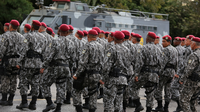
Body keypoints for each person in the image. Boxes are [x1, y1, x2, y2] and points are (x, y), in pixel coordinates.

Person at [42, 24, 74, 112]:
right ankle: (58, 108)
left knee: (44, 83)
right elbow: (73, 58)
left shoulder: (55, 41)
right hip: (66, 67)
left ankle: (49, 103)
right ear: (67, 32)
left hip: (55, 67)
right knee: (61, 87)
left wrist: (43, 66)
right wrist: (70, 69)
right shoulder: (71, 43)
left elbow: (50, 55)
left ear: (59, 31)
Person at [16, 20, 47, 110]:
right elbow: (46, 52)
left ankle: (24, 102)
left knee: (23, 82)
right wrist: (43, 65)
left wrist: (19, 62)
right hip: (39, 63)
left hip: (28, 63)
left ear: (32, 27)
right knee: (36, 83)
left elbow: (23, 50)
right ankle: (33, 104)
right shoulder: (43, 37)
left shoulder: (28, 36)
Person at [73, 29, 104, 112]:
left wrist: (76, 74)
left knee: (76, 90)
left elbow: (83, 63)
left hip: (86, 74)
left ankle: (79, 109)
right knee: (93, 93)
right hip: (96, 74)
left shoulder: (87, 46)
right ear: (96, 37)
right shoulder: (101, 46)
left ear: (88, 37)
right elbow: (103, 62)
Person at [132, 32, 162, 112]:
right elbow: (161, 63)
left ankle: (138, 104)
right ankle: (148, 110)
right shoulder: (159, 49)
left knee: (132, 87)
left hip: (145, 73)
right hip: (154, 74)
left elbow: (139, 63)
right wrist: (158, 73)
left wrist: (136, 75)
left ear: (147, 38)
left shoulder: (143, 48)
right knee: (150, 92)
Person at [0, 20, 27, 106]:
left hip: (7, 60)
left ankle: (4, 98)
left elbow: (2, 50)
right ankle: (11, 99)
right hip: (17, 61)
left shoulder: (5, 36)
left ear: (10, 26)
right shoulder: (22, 37)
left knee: (5, 79)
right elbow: (24, 50)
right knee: (14, 79)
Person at [103, 31, 131, 112]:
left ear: (114, 38)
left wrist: (103, 78)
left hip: (112, 79)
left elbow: (106, 66)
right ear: (123, 39)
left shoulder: (111, 49)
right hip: (123, 79)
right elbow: (129, 65)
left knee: (109, 101)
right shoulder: (127, 50)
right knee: (119, 101)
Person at [154, 35, 178, 112]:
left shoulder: (166, 50)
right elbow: (177, 62)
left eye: (164, 41)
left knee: (158, 89)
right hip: (171, 72)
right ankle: (166, 108)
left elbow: (162, 63)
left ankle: (160, 106)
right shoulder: (174, 49)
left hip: (164, 72)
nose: (162, 43)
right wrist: (175, 72)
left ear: (168, 42)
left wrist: (159, 73)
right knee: (168, 90)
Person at [179, 37, 200, 112]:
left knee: (183, 100)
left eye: (191, 43)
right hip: (198, 82)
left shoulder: (194, 55)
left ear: (194, 44)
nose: (190, 45)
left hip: (191, 82)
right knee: (193, 101)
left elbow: (189, 69)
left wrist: (182, 79)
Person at [121, 30, 137, 111]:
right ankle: (124, 106)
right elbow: (135, 60)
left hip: (121, 70)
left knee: (119, 89)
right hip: (130, 70)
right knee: (127, 89)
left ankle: (119, 107)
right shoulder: (133, 46)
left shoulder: (120, 45)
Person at [171, 37, 185, 112]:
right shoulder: (183, 48)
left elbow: (180, 62)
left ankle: (180, 105)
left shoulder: (177, 49)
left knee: (173, 88)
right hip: (181, 72)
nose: (173, 41)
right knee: (180, 89)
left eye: (175, 40)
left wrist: (177, 73)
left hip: (178, 72)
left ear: (178, 41)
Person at [129, 33, 143, 108]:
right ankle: (134, 102)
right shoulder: (142, 47)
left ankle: (132, 101)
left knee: (131, 86)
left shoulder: (133, 47)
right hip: (140, 70)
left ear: (134, 39)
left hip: (133, 69)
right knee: (136, 87)